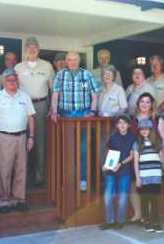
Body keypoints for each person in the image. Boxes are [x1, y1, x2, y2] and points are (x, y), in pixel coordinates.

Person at [0, 70, 36, 213]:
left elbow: (31, 118)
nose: (12, 82)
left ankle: (19, 200)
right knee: (4, 170)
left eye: (14, 80)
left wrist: (31, 136)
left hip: (21, 137)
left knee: (21, 169)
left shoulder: (25, 96)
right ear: (3, 82)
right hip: (4, 137)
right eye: (9, 80)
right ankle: (4, 201)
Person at [50, 51, 100, 191]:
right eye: (70, 59)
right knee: (67, 149)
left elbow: (94, 95)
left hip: (83, 116)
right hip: (66, 116)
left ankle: (82, 180)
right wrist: (54, 111)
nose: (72, 62)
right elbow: (55, 95)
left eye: (75, 59)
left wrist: (92, 111)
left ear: (79, 61)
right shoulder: (60, 75)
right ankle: (67, 180)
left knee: (83, 149)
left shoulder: (87, 74)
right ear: (66, 61)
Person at [14, 37, 54, 186]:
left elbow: (53, 89)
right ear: (25, 49)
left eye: (34, 46)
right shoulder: (18, 67)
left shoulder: (47, 66)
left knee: (40, 141)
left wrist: (52, 108)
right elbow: (12, 87)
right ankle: (22, 176)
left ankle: (39, 177)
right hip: (22, 106)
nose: (31, 49)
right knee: (22, 141)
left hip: (40, 105)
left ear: (38, 49)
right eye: (29, 46)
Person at [130, 92, 164, 227]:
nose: (144, 104)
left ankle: (152, 216)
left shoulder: (158, 119)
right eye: (142, 101)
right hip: (137, 157)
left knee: (152, 186)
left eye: (147, 101)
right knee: (135, 184)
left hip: (152, 160)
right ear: (138, 104)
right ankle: (139, 214)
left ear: (152, 104)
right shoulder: (133, 120)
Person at [99, 115, 136, 230]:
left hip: (124, 171)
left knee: (122, 198)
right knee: (107, 196)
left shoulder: (132, 138)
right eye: (120, 123)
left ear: (129, 125)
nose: (122, 125)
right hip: (112, 171)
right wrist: (106, 165)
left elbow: (132, 156)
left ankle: (120, 221)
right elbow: (110, 154)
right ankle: (109, 221)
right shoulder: (113, 137)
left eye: (125, 123)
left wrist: (120, 164)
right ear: (117, 125)